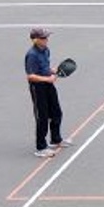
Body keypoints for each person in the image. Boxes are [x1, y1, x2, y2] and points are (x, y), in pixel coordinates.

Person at [24, 27, 73, 158]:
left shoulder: (46, 50)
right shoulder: (32, 55)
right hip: (38, 88)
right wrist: (48, 78)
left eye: (46, 37)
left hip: (48, 85)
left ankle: (56, 139)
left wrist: (53, 70)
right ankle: (41, 147)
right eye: (43, 38)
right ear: (35, 40)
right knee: (42, 117)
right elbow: (30, 76)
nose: (46, 39)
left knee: (57, 112)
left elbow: (45, 68)